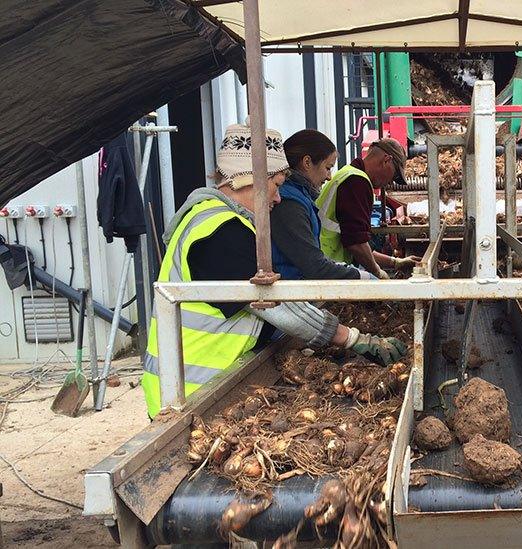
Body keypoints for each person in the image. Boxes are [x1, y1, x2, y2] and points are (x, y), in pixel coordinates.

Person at [141, 123, 407, 418]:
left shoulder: (213, 218)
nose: (279, 198)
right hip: (191, 392)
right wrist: (354, 339)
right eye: (277, 185)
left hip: (200, 386)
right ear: (248, 179)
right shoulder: (220, 231)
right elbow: (276, 306)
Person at [271, 129, 372, 281]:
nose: (329, 176)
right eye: (328, 167)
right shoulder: (289, 204)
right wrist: (364, 277)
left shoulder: (300, 196)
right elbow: (313, 266)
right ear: (307, 162)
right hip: (291, 293)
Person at [316, 138, 420, 279]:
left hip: (325, 263)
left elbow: (360, 243)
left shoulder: (348, 173)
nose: (390, 182)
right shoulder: (357, 182)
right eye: (394, 175)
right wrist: (378, 273)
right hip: (326, 267)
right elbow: (356, 243)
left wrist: (395, 262)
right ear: (386, 160)